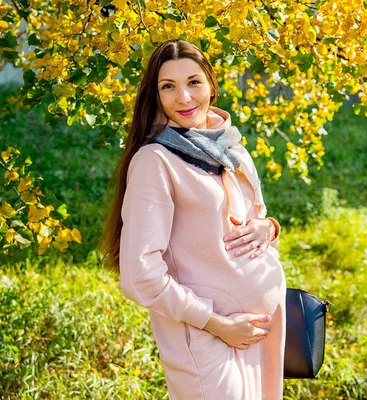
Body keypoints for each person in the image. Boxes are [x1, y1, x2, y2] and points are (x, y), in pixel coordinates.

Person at [101, 39, 286, 399]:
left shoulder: (232, 148)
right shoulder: (156, 161)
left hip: (261, 333)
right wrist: (218, 325)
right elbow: (140, 274)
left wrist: (269, 228)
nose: (184, 98)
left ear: (212, 85)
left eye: (193, 82)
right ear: (154, 96)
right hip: (206, 338)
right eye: (168, 87)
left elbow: (255, 219)